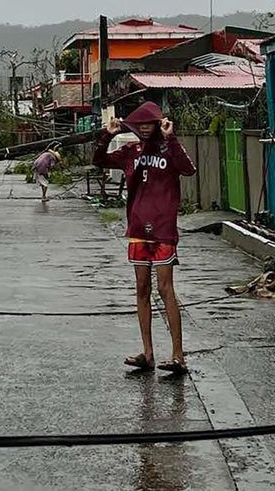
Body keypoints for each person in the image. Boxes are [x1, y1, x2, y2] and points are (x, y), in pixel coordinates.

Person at [93, 102, 196, 374]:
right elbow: (99, 160)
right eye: (142, 125)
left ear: (158, 124)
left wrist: (170, 138)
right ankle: (147, 353)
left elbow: (188, 169)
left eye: (151, 124)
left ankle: (178, 355)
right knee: (141, 289)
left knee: (165, 289)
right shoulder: (130, 152)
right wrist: (108, 134)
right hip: (138, 229)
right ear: (136, 127)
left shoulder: (168, 149)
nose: (146, 129)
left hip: (163, 230)